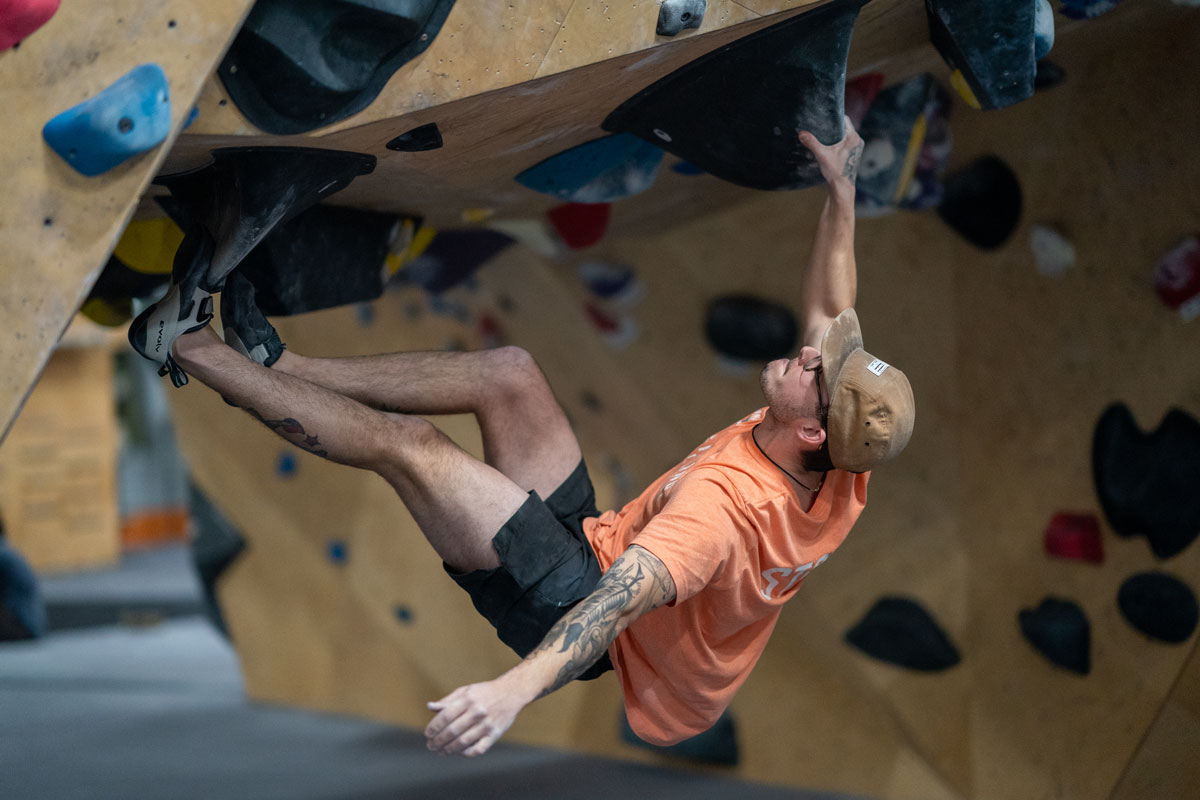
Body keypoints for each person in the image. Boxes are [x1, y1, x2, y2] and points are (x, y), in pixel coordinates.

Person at [129, 117, 914, 757]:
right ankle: (282, 365)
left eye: (816, 369)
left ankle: (185, 345)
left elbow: (610, 606)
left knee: (412, 447)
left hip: (570, 608)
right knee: (508, 372)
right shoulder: (842, 459)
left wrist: (509, 694)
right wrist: (841, 191)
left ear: (809, 425)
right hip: (599, 545)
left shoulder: (723, 512)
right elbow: (830, 304)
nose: (809, 349)